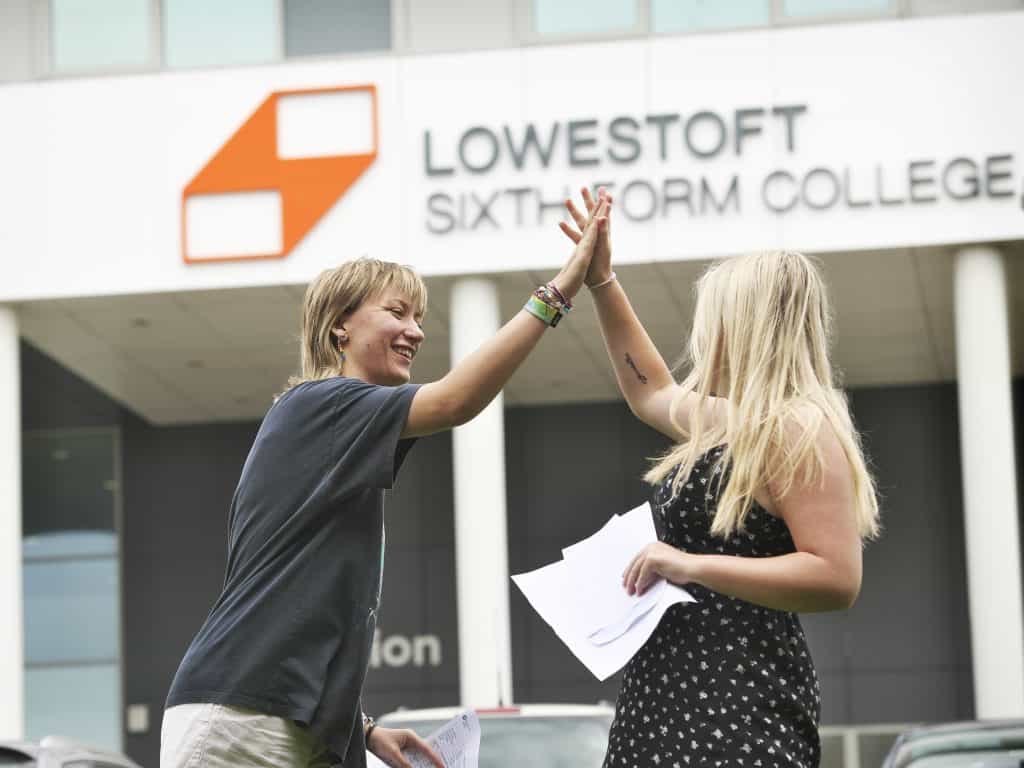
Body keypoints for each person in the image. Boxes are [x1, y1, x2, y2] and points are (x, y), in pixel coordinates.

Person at [160, 196, 609, 768]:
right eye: (397, 313)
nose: (415, 331)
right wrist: (558, 292)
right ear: (339, 326)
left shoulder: (340, 428)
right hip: (242, 720)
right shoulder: (319, 404)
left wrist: (364, 728)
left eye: (419, 318)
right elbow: (455, 401)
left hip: (280, 723)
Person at [558, 189, 879, 768]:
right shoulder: (734, 422)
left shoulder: (801, 428)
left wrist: (688, 563)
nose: (703, 334)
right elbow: (651, 391)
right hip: (662, 695)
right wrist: (602, 280)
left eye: (714, 318)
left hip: (736, 706)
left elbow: (836, 576)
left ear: (747, 324)